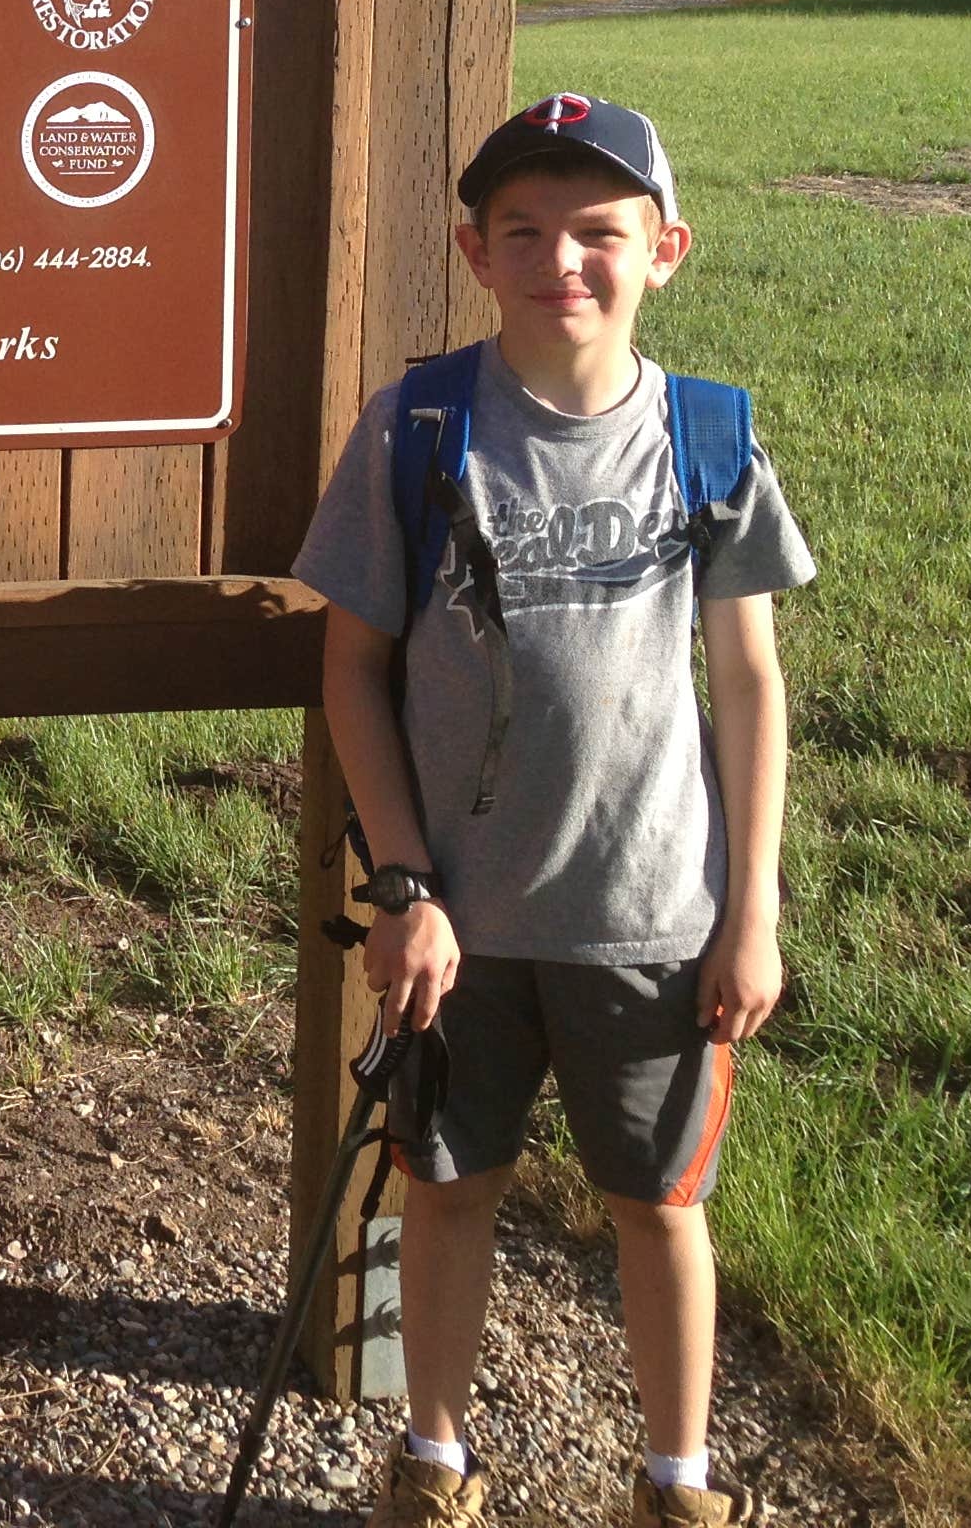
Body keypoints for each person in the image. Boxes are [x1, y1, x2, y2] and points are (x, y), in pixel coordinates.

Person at [292, 96, 814, 1528]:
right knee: (451, 1186)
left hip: (654, 917)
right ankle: (438, 1459)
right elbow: (352, 669)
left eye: (598, 231)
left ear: (666, 251)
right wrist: (402, 886)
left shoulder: (707, 439)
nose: (560, 260)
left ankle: (677, 1479)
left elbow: (749, 681)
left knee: (657, 1205)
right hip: (458, 926)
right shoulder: (418, 428)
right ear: (475, 250)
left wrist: (750, 914)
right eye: (523, 230)